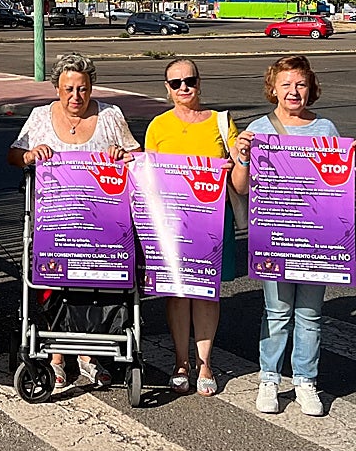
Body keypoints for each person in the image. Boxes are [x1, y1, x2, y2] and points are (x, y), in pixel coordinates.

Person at [7, 51, 139, 389]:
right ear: (57, 89)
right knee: (54, 283)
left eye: (82, 89)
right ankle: (56, 358)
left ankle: (89, 355)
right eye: (68, 89)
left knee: (96, 283)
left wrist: (123, 156)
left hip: (103, 224)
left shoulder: (111, 116)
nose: (75, 96)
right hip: (55, 222)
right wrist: (30, 155)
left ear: (92, 87)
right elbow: (14, 154)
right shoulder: (39, 117)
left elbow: (135, 156)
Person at [232, 55, 340, 418]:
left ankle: (306, 380)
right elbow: (241, 187)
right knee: (277, 313)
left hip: (316, 239)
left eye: (301, 85)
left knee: (310, 314)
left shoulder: (325, 128)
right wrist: (243, 157)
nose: (294, 92)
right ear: (273, 89)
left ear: (310, 89)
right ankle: (269, 378)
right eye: (286, 85)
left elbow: (339, 185)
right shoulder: (259, 128)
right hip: (276, 235)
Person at [143, 58, 237, 397]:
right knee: (179, 293)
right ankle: (181, 361)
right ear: (166, 89)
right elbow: (146, 174)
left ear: (199, 82)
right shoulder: (158, 126)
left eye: (190, 80)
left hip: (212, 220)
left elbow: (240, 181)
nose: (184, 87)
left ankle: (206, 363)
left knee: (206, 293)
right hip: (171, 222)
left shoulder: (222, 123)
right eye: (176, 82)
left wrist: (239, 158)